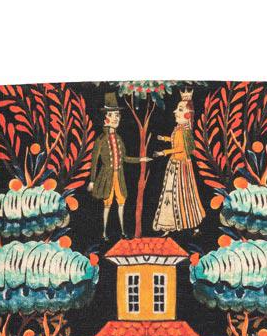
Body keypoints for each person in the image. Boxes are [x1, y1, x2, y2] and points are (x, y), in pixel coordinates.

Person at [87, 92, 151, 239]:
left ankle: (122, 231)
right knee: (107, 204)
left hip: (119, 176)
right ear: (105, 119)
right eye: (112, 115)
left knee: (121, 203)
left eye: (117, 115)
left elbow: (125, 158)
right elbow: (94, 161)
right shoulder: (100, 140)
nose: (116, 118)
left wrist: (141, 159)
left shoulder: (119, 139)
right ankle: (104, 232)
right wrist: (92, 181)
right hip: (106, 176)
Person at [152, 90, 205, 234]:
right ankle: (171, 223)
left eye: (180, 109)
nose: (175, 112)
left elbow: (180, 148)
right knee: (172, 194)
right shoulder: (179, 129)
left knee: (179, 194)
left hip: (181, 167)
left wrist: (163, 152)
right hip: (175, 164)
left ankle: (182, 222)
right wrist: (165, 139)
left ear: (188, 115)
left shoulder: (183, 131)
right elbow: (175, 141)